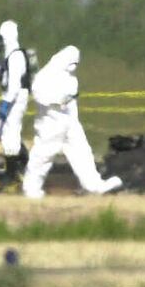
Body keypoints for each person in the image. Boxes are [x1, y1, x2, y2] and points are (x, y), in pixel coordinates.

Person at [21, 45, 122, 199]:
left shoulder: (71, 78)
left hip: (70, 122)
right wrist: (56, 100)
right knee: (43, 155)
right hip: (51, 123)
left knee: (82, 153)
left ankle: (94, 185)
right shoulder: (46, 75)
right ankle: (31, 189)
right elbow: (38, 93)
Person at [0, 19, 31, 181]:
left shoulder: (15, 56)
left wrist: (5, 105)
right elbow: (3, 78)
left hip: (15, 97)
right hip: (12, 96)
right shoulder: (11, 57)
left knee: (10, 135)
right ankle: (22, 165)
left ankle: (11, 175)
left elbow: (13, 86)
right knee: (4, 134)